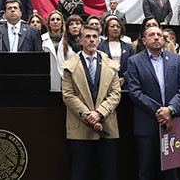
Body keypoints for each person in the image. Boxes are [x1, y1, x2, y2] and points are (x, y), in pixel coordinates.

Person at [126, 25, 180, 180]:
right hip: (147, 123)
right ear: (144, 40)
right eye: (152, 35)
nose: (156, 37)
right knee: (146, 170)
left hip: (173, 123)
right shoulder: (134, 61)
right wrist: (161, 111)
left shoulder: (174, 59)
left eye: (159, 35)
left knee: (172, 171)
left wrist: (171, 110)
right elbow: (135, 92)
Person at [61, 24, 121, 180]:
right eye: (87, 37)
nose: (91, 40)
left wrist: (99, 113)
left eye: (95, 37)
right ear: (80, 40)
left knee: (109, 174)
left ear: (99, 39)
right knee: (80, 173)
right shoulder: (70, 66)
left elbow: (115, 93)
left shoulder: (110, 65)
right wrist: (89, 116)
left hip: (106, 127)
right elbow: (68, 95)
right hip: (81, 129)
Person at [98, 16, 133, 86]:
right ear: (107, 29)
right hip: (106, 83)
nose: (115, 28)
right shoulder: (100, 47)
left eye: (118, 26)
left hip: (125, 83)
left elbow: (132, 66)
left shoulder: (128, 47)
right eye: (112, 26)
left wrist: (124, 77)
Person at [42, 10, 68, 90]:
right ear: (49, 23)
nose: (55, 22)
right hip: (49, 75)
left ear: (62, 23)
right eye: (52, 20)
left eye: (58, 19)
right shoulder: (42, 39)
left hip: (66, 75)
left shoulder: (68, 39)